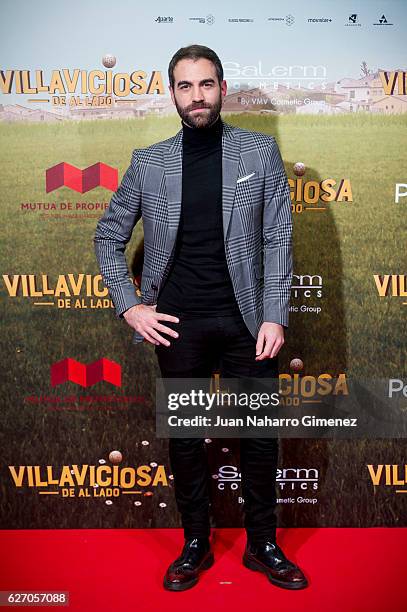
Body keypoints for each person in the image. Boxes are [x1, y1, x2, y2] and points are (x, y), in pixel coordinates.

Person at [94, 44, 308, 592]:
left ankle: (264, 544)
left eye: (206, 85)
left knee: (259, 436)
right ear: (172, 94)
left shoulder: (259, 154)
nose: (197, 96)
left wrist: (276, 314)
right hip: (178, 323)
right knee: (186, 439)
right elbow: (108, 238)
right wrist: (130, 304)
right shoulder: (149, 162)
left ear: (222, 89)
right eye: (185, 87)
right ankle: (195, 543)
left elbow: (277, 238)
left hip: (247, 323)